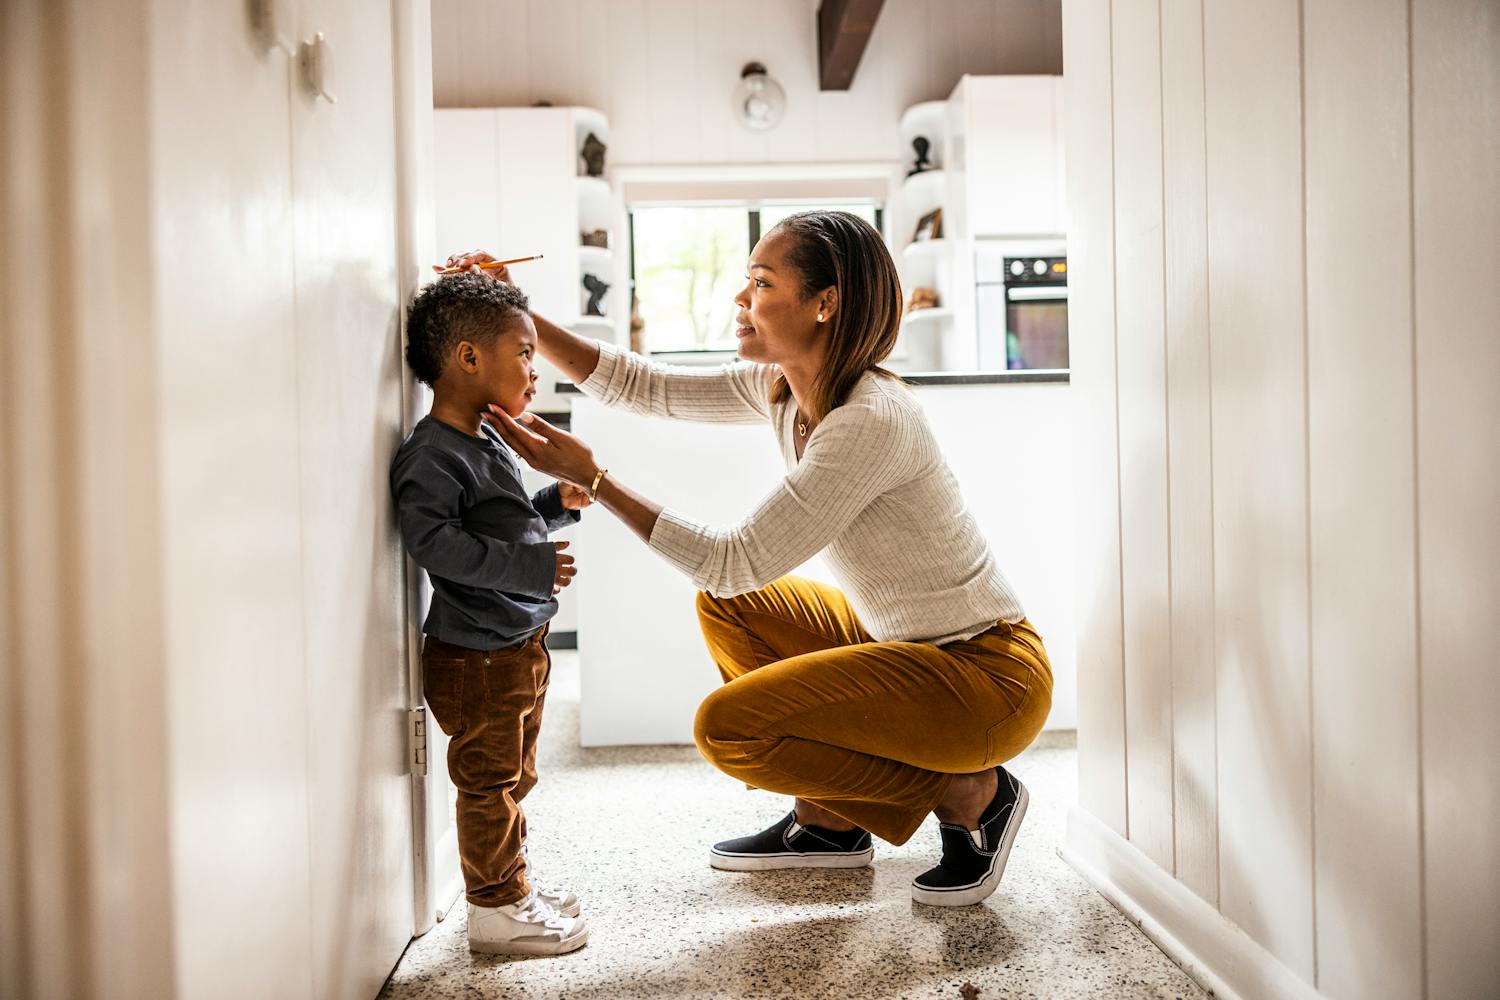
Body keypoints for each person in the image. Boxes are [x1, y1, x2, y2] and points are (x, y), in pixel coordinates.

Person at [451, 209, 1052, 908]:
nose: (740, 299)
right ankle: (832, 820)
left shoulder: (869, 420)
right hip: (912, 652)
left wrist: (597, 482)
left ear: (825, 304)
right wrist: (517, 314)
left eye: (761, 282)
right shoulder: (787, 390)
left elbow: (735, 559)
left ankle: (974, 792)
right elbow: (644, 387)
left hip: (986, 679)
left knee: (729, 728)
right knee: (731, 607)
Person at [390, 274, 592, 954]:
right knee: (490, 783)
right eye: (526, 352)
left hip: (513, 646)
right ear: (470, 359)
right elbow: (436, 546)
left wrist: (553, 507)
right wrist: (533, 567)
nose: (536, 369)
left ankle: (513, 881)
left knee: (516, 776)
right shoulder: (431, 454)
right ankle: (495, 908)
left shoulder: (483, 440)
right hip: (476, 656)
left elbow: (501, 531)